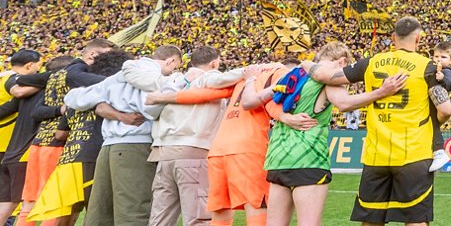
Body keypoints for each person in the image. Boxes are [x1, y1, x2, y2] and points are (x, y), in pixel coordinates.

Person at [308, 17, 436, 226]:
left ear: (393, 37)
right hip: (413, 154)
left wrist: (307, 65)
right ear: (418, 39)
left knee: (371, 219)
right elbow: (445, 108)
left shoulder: (371, 62)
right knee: (415, 219)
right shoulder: (427, 66)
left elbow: (329, 78)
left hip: (376, 154)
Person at [266, 42, 406, 226]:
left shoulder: (293, 74)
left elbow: (269, 103)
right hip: (308, 158)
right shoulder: (326, 80)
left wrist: (284, 117)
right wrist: (382, 92)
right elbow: (345, 103)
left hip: (277, 157)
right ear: (341, 62)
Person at [145, 56, 293, 226]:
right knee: (257, 205)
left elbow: (204, 94)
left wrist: (161, 98)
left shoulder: (242, 79)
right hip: (248, 148)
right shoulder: (281, 75)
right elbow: (270, 105)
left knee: (221, 210)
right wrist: (288, 118)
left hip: (217, 151)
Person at [64, 44, 183, 226]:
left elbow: (73, 98)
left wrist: (111, 108)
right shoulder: (153, 78)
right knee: (135, 208)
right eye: (175, 67)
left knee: (101, 210)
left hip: (108, 147)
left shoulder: (115, 78)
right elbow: (149, 110)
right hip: (136, 144)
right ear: (171, 61)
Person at [28, 48, 131, 226]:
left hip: (70, 158)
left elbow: (59, 133)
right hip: (95, 157)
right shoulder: (112, 93)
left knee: (66, 214)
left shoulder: (79, 96)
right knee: (97, 213)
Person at [0, 49, 41, 224]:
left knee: (6, 197)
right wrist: (51, 81)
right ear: (30, 65)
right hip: (10, 146)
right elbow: (18, 92)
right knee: (15, 197)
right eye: (38, 69)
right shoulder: (11, 77)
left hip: (7, 146)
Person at [427, 41, 451, 173]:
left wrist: (442, 78)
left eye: (443, 57)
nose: (439, 60)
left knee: (432, 124)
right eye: (436, 57)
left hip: (437, 105)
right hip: (433, 104)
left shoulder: (449, 72)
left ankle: (439, 151)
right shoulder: (436, 69)